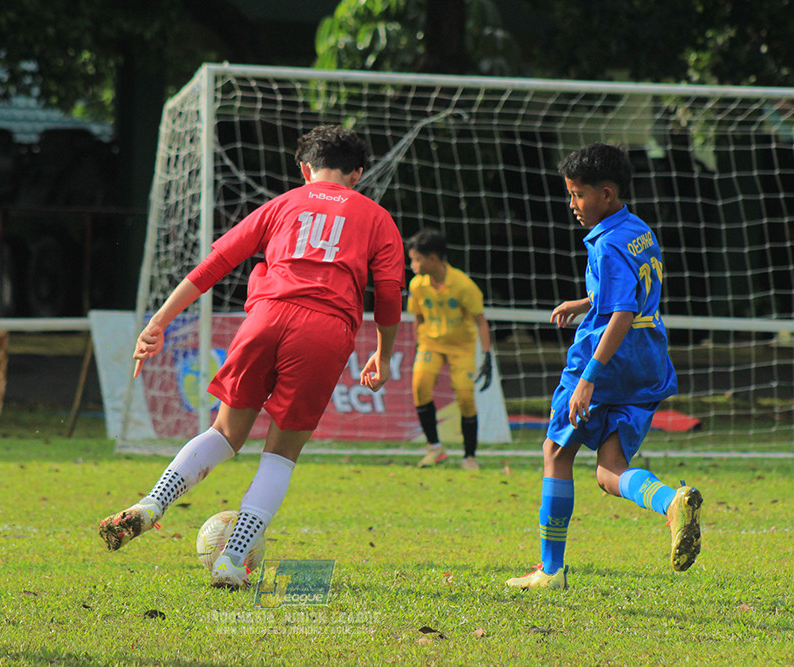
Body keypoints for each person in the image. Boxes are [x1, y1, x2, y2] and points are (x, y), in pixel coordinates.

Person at [98, 125, 405, 589]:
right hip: (324, 331)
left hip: (266, 316)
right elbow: (387, 296)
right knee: (280, 455)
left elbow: (214, 265)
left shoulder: (282, 205)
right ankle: (231, 559)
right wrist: (382, 354)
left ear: (305, 169)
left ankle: (151, 504)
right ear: (358, 173)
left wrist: (158, 321)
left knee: (223, 432)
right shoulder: (377, 217)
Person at [506, 143, 701, 590]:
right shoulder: (637, 230)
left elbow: (621, 314)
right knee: (608, 468)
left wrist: (588, 379)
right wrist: (584, 301)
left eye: (578, 194)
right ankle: (671, 502)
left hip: (608, 361)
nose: (572, 204)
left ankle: (550, 570)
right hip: (647, 362)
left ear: (607, 194)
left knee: (556, 452)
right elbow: (628, 293)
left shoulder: (608, 243)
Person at [406, 229, 492, 470]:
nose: (412, 265)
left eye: (416, 259)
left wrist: (486, 355)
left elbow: (480, 321)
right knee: (420, 386)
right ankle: (435, 448)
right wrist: (417, 346)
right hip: (431, 344)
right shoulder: (417, 285)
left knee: (465, 397)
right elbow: (418, 317)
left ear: (433, 259)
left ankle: (470, 457)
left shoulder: (463, 285)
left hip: (461, 346)